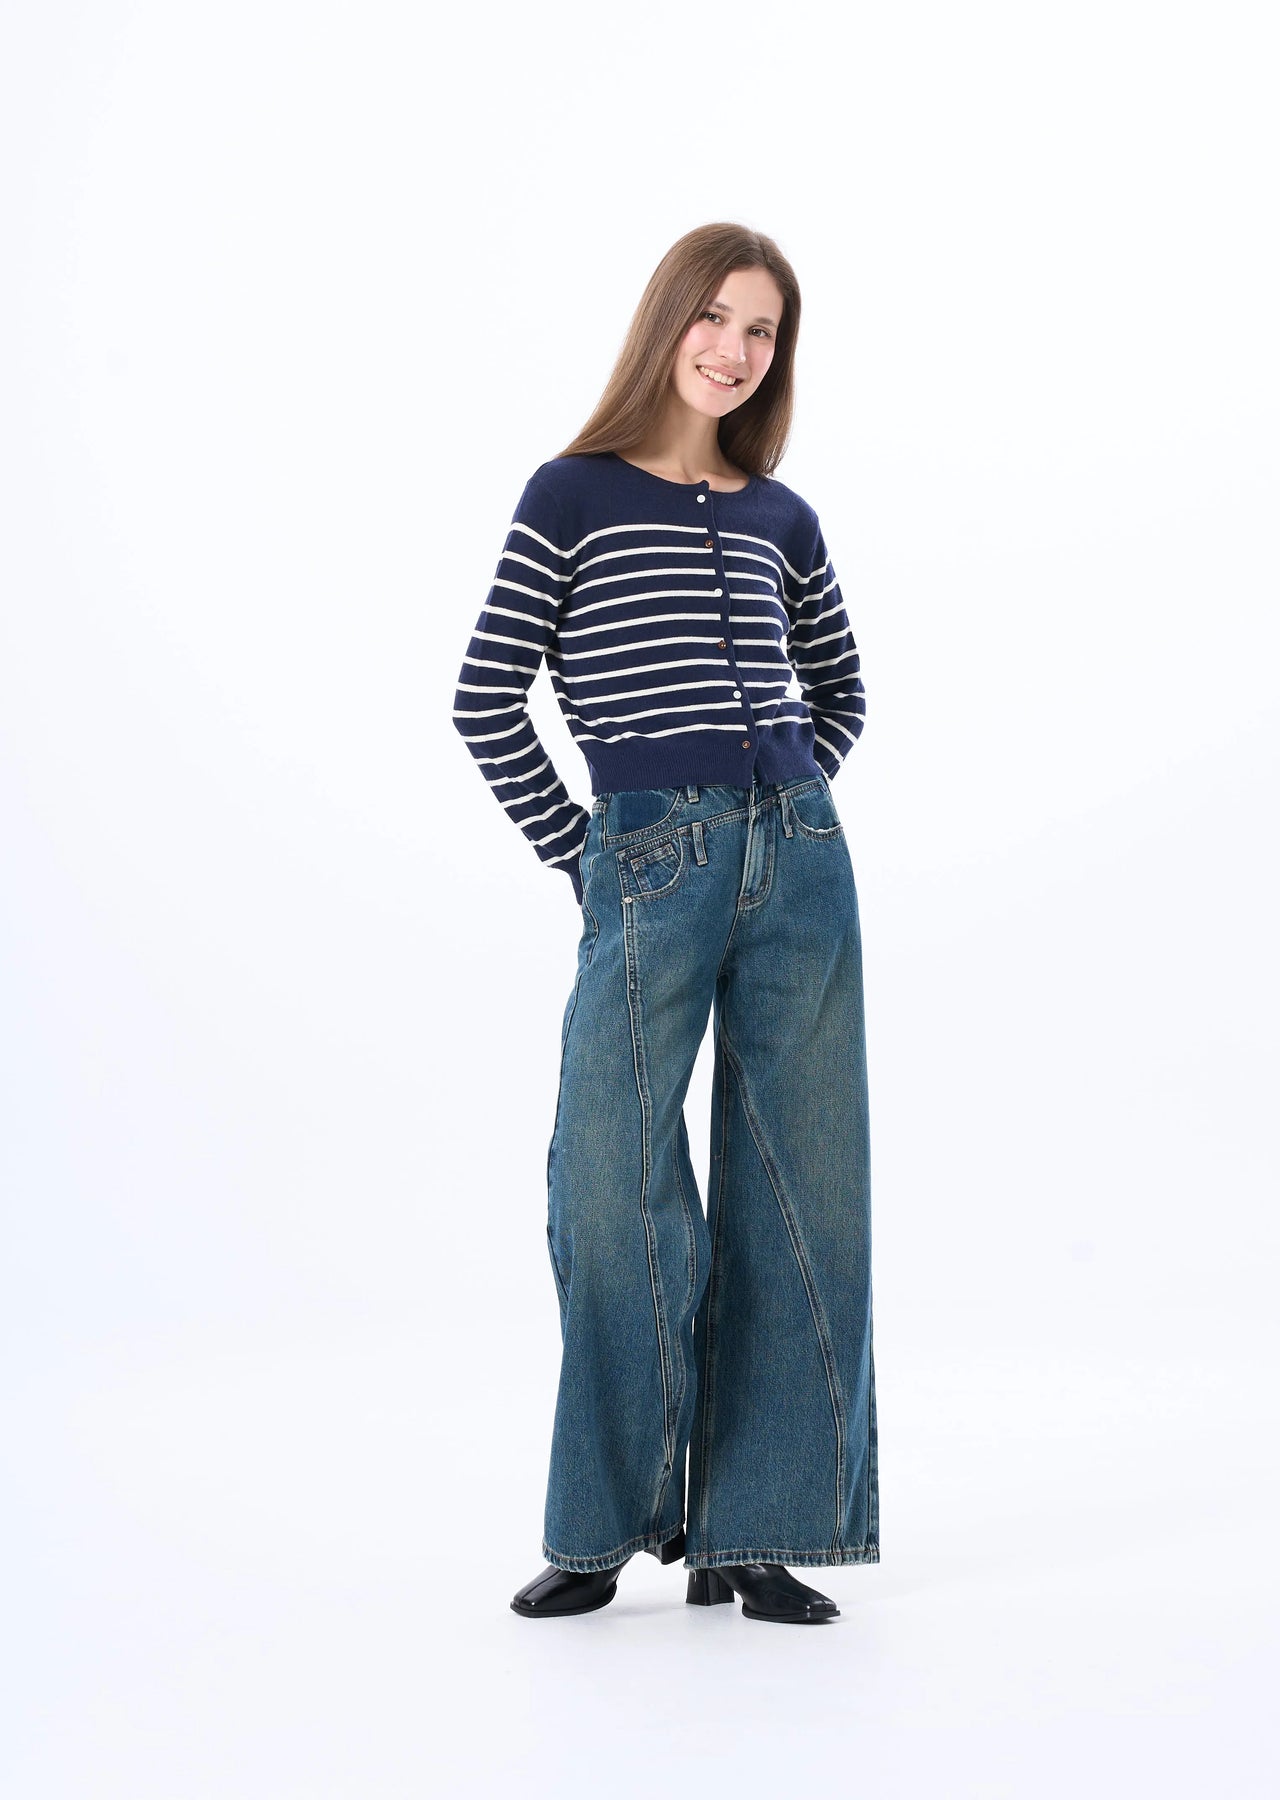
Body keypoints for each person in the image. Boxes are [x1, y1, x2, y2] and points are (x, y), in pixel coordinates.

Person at [451, 223, 877, 1625]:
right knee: (611, 1180)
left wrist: (795, 803)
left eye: (761, 331)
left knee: (801, 1187)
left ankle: (758, 1530)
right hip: (647, 857)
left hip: (799, 862)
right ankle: (604, 1523)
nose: (734, 349)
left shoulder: (782, 516)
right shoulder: (569, 495)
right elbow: (484, 695)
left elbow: (842, 689)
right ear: (666, 322)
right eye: (715, 317)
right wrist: (587, 852)